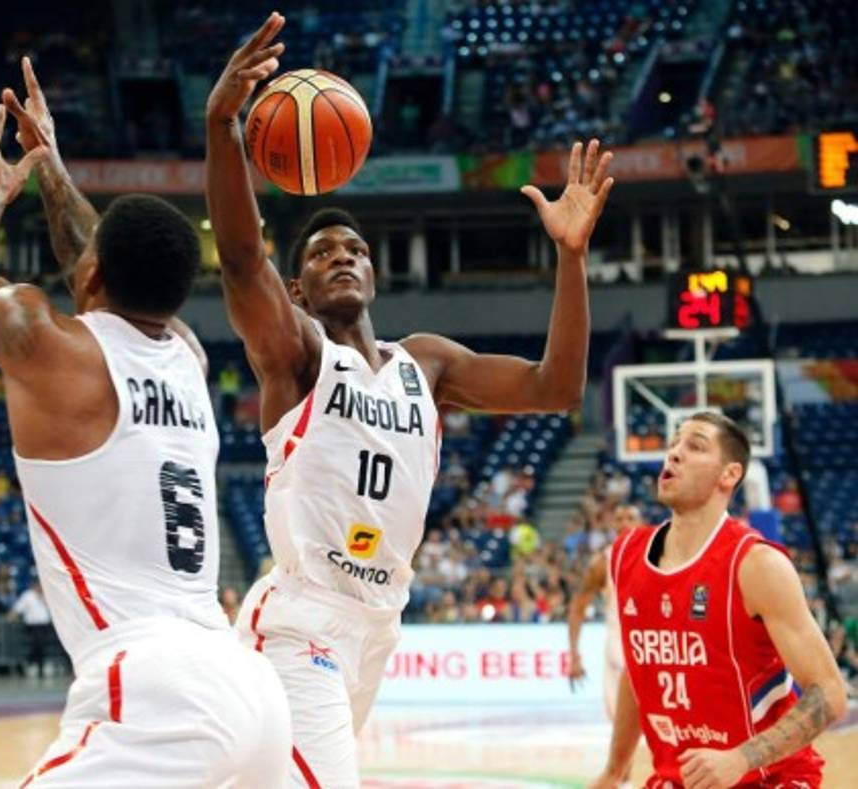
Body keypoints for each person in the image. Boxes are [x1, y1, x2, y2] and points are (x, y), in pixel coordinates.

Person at [205, 13, 614, 785]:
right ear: (297, 288)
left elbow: (555, 387)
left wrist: (570, 256)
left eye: (354, 249)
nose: (343, 258)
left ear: (374, 273)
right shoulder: (296, 354)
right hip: (302, 618)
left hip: (377, 621)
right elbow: (238, 258)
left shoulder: (424, 364)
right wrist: (223, 124)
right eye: (323, 253)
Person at [0, 58, 289, 786]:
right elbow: (101, 261)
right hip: (248, 689)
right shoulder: (187, 354)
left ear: (91, 276)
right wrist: (51, 163)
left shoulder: (50, 344)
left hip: (153, 686)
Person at [592, 413, 847, 788]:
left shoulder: (757, 565)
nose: (674, 453)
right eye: (674, 443)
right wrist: (614, 771)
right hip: (680, 779)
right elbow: (639, 672)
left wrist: (740, 759)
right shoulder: (626, 553)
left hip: (771, 778)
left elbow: (829, 692)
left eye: (694, 446)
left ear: (729, 475)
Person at [568, 503, 643, 730]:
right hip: (618, 643)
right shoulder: (602, 562)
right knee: (622, 729)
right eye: (619, 519)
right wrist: (574, 655)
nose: (624, 523)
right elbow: (578, 608)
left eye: (630, 517)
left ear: (640, 523)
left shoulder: (662, 555)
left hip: (651, 645)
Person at [8, 578, 55, 678]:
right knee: (39, 642)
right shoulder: (27, 595)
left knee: (41, 644)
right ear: (33, 585)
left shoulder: (47, 594)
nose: (39, 587)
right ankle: (38, 665)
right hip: (32, 625)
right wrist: (13, 614)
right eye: (37, 585)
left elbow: (53, 608)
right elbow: (19, 607)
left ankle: (34, 662)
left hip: (45, 624)